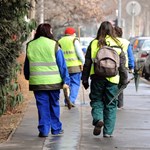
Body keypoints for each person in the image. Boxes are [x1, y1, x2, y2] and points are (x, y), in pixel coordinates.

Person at [82, 21, 128, 137]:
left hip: (97, 77)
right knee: (111, 104)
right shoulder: (117, 43)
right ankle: (108, 132)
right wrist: (124, 81)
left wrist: (85, 79)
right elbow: (122, 66)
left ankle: (98, 119)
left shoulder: (94, 43)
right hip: (113, 79)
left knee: (96, 100)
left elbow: (87, 63)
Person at [24, 23, 70, 137]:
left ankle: (44, 130)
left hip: (37, 82)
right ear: (48, 32)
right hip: (54, 82)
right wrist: (66, 80)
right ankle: (56, 129)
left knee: (42, 105)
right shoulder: (54, 44)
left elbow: (27, 64)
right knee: (54, 104)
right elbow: (62, 65)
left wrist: (27, 76)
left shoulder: (30, 45)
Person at [58, 27, 85, 106]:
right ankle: (71, 100)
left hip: (63, 67)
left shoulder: (60, 41)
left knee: (66, 84)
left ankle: (67, 100)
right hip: (75, 66)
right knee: (75, 83)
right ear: (73, 33)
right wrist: (83, 62)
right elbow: (79, 53)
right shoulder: (74, 40)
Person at [114, 26, 135, 109]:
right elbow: (130, 56)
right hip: (123, 66)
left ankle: (113, 101)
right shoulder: (126, 42)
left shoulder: (110, 41)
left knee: (112, 84)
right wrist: (131, 67)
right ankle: (120, 104)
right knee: (121, 85)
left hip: (111, 66)